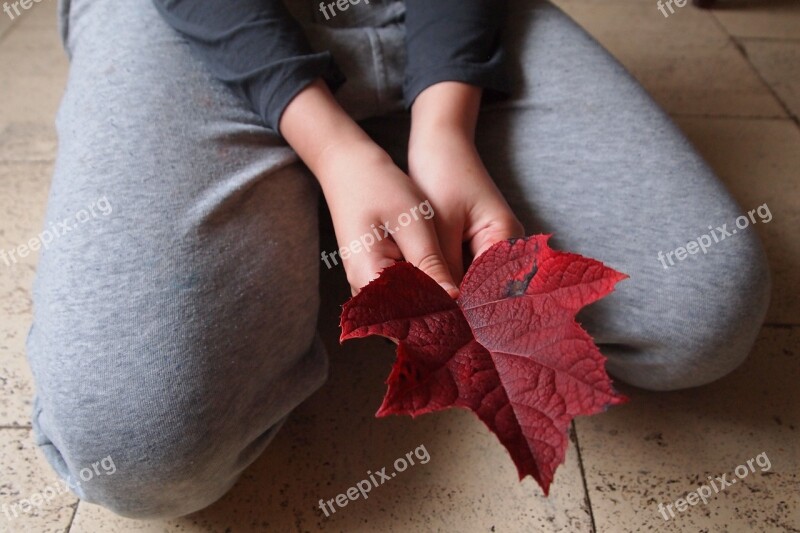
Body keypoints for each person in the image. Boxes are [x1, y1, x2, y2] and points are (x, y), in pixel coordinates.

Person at [26, 0, 770, 518]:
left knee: (702, 310)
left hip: (443, 13)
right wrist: (327, 143)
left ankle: (372, 175)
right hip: (190, 17)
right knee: (137, 445)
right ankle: (325, 185)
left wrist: (446, 123)